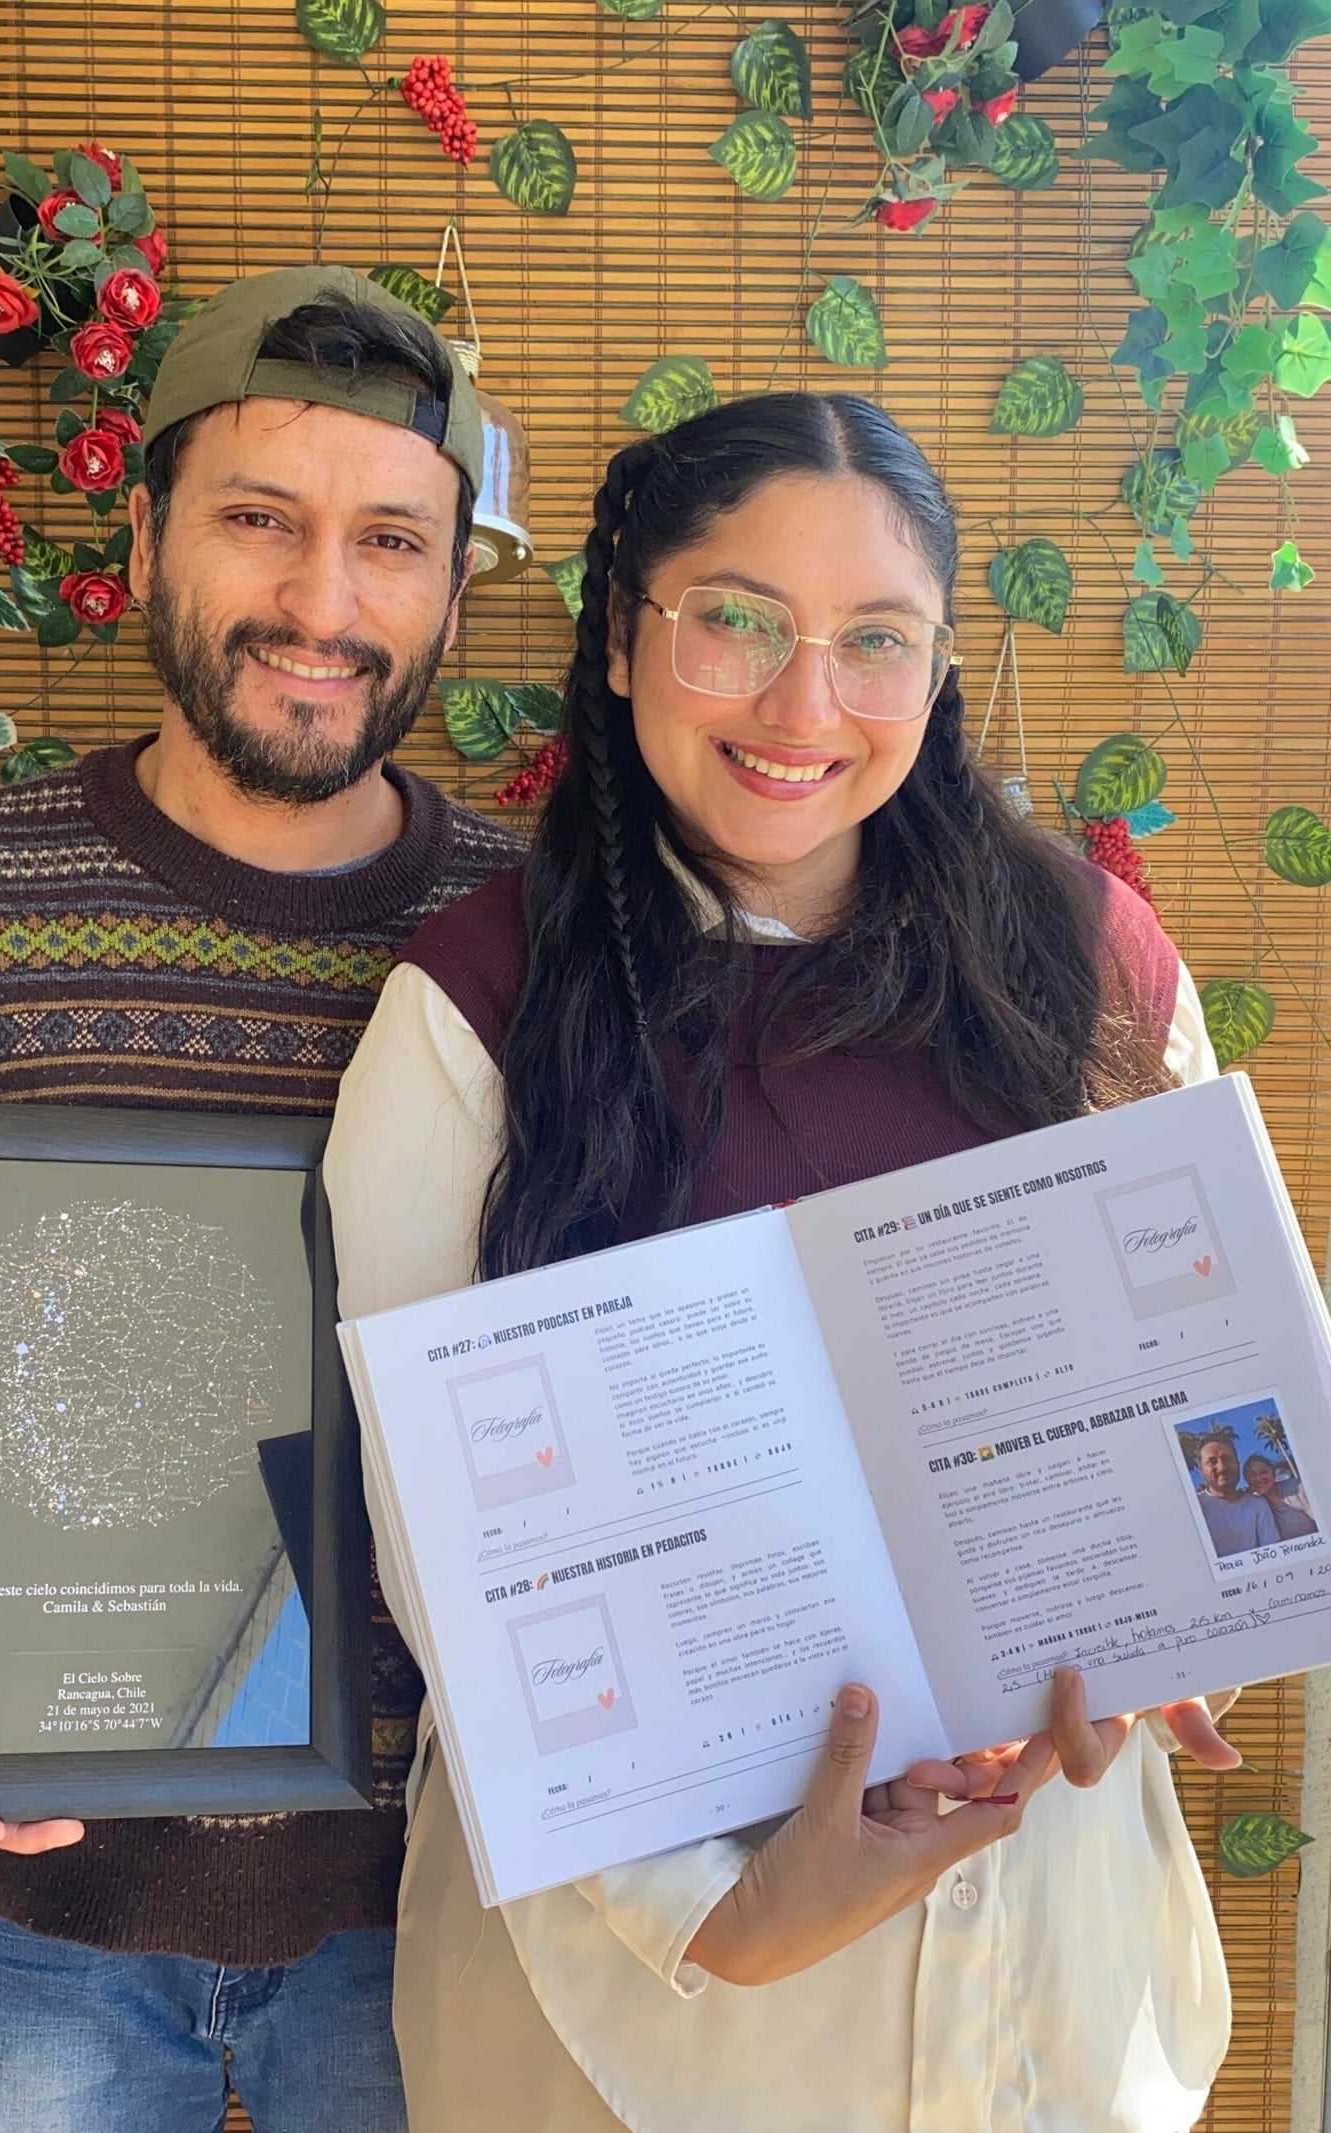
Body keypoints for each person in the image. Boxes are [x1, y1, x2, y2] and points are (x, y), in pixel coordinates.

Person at [323, 392, 1243, 2132]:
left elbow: (1220, 1388)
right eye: (734, 620)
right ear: (619, 635)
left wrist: (1190, 1603)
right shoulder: (478, 1010)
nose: (804, 707)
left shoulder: (1089, 960)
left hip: (1049, 1959)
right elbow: (446, 1559)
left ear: (940, 665)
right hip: (643, 1999)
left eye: (875, 641)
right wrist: (720, 1914)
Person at [0, 264, 525, 2133]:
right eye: (261, 519)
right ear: (150, 526)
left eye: (392, 541)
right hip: (28, 1909)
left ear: (453, 586)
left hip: (443, 1904)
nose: (325, 604)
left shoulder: (545, 937)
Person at [1196, 1435, 1280, 1556]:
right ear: (1202, 1470)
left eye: (1227, 1459)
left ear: (1237, 1463)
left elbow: (1272, 1552)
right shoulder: (1195, 1508)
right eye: (1212, 1462)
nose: (1221, 1467)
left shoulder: (1258, 1504)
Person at [1243, 1450, 1316, 1540]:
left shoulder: (1296, 1488)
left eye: (1264, 1472)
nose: (1258, 1478)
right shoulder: (1253, 1506)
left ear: (1273, 1473)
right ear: (1247, 1480)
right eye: (1252, 1474)